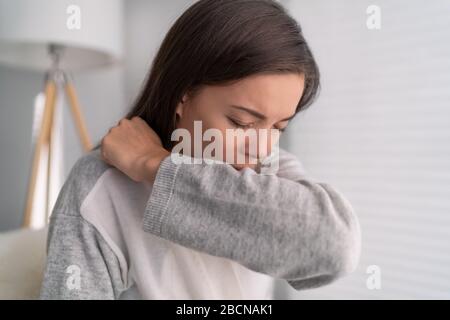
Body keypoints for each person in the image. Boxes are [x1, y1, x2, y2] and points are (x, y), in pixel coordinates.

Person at [40, 0, 361, 299]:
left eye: (279, 127)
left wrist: (153, 163)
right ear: (182, 95)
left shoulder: (272, 171)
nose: (261, 150)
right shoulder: (100, 187)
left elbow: (336, 246)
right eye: (242, 122)